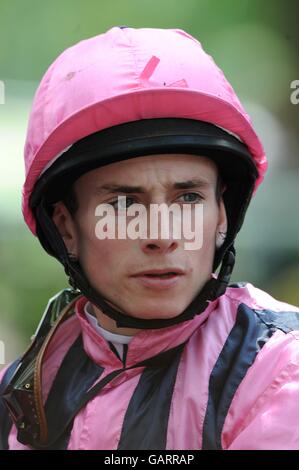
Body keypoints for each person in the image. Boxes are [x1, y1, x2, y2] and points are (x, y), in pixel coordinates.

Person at [1, 26, 299, 451]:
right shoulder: (22, 391)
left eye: (189, 198)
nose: (162, 236)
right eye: (124, 205)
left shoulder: (280, 370)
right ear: (66, 227)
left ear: (223, 213)